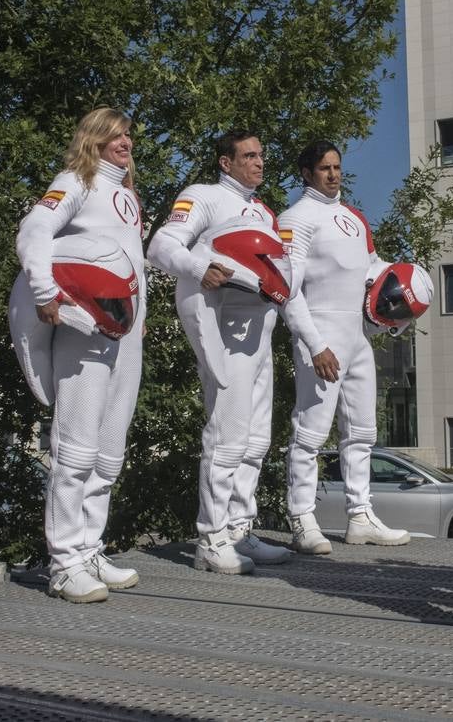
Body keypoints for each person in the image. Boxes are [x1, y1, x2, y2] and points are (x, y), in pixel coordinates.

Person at [147, 131, 293, 574]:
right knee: (227, 436)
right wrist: (199, 266)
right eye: (248, 156)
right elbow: (161, 246)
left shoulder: (265, 213)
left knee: (255, 441)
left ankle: (239, 530)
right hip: (223, 330)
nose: (259, 162)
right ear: (225, 163)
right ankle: (210, 539)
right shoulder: (203, 197)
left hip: (260, 334)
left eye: (262, 154)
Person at [15, 108, 146, 603]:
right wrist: (47, 294)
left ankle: (90, 547)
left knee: (110, 453)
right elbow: (33, 232)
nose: (125, 142)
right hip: (83, 330)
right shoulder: (74, 181)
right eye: (115, 133)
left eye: (129, 134)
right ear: (93, 137)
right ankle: (64, 561)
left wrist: (140, 322)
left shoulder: (127, 196)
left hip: (125, 335)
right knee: (75, 451)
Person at [279, 141, 410, 555]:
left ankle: (360, 517)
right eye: (324, 169)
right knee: (311, 433)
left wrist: (403, 295)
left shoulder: (354, 216)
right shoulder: (295, 220)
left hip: (357, 338)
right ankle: (302, 518)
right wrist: (315, 345)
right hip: (320, 338)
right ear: (306, 173)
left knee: (362, 432)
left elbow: (374, 271)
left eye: (337, 167)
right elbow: (287, 289)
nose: (333, 175)